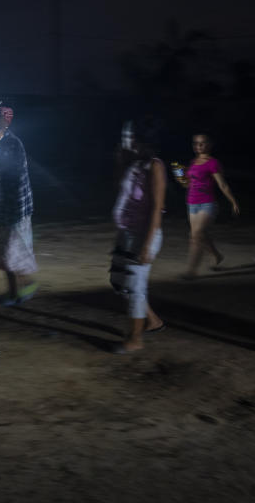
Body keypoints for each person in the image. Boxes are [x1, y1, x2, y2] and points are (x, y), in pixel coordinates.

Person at [109, 117, 167, 353]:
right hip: (126, 233)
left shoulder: (155, 166)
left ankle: (135, 339)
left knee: (134, 287)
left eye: (131, 135)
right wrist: (120, 162)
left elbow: (156, 208)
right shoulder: (133, 164)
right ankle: (153, 321)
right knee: (118, 282)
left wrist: (147, 243)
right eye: (125, 134)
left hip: (144, 235)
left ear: (143, 139)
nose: (126, 139)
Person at [0, 101, 38, 306]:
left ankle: (18, 292)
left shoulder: (13, 144)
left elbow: (16, 177)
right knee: (3, 250)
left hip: (14, 209)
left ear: (7, 120)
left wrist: (14, 212)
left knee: (10, 252)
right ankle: (19, 290)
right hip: (3, 207)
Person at [175, 134, 240, 279]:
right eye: (196, 143)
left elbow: (222, 184)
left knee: (195, 235)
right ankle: (217, 256)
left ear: (209, 145)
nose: (199, 146)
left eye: (202, 143)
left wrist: (233, 201)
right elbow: (187, 184)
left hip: (207, 203)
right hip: (191, 203)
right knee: (199, 235)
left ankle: (191, 271)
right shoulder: (193, 162)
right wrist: (180, 175)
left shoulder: (213, 163)